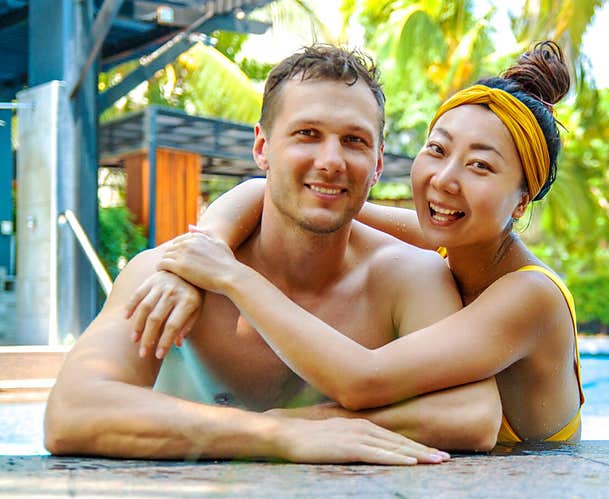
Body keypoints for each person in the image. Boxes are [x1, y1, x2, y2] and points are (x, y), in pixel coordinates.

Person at [43, 44, 502, 465]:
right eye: (307, 134)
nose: (331, 160)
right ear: (263, 147)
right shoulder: (173, 274)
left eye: (354, 141)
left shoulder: (408, 278)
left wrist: (312, 426)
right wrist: (275, 436)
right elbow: (72, 411)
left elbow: (473, 415)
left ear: (378, 164)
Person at [128, 41, 584, 446]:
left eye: (481, 167)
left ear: (522, 201)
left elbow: (364, 379)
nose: (445, 181)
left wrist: (230, 278)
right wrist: (200, 253)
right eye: (438, 150)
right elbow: (275, 194)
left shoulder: (530, 296)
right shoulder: (447, 236)